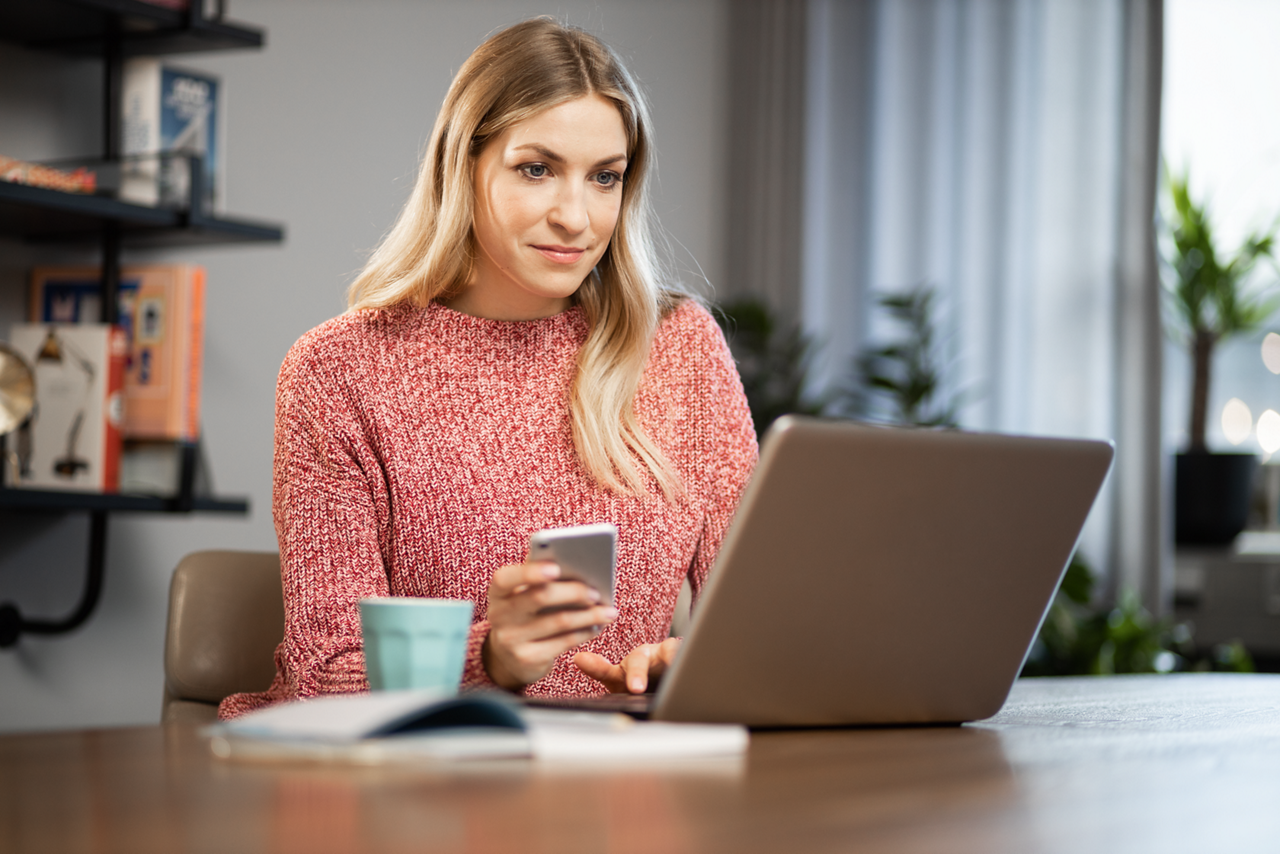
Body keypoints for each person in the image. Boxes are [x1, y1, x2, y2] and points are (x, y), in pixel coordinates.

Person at [219, 18, 756, 719]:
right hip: (415, 786)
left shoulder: (680, 349)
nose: (576, 216)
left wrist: (697, 662)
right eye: (537, 168)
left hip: (618, 783)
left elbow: (764, 629)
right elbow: (322, 676)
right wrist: (492, 658)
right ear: (464, 166)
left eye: (605, 178)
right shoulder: (339, 371)